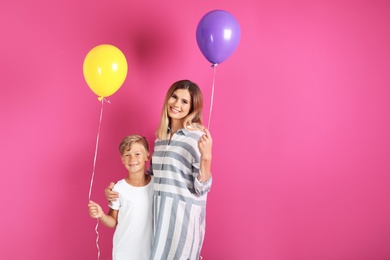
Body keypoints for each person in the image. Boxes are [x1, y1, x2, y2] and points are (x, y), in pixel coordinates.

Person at [105, 80, 213, 260]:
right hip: (159, 218)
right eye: (174, 97)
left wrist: (207, 156)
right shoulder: (161, 139)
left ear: (193, 107)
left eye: (185, 102)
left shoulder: (197, 137)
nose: (177, 104)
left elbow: (201, 188)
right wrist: (119, 189)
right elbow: (152, 179)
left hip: (182, 220)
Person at [88, 135, 154, 260]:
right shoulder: (118, 189)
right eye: (127, 155)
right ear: (122, 160)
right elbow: (112, 222)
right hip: (124, 253)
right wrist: (101, 214)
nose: (132, 159)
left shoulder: (157, 185)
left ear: (147, 156)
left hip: (151, 252)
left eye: (137, 154)